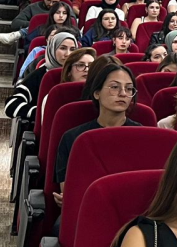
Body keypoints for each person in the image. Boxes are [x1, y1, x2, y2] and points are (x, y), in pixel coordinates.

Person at [54, 64, 143, 204]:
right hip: (86, 207)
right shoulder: (73, 138)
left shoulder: (143, 137)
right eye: (115, 87)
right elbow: (69, 190)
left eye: (129, 88)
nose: (123, 93)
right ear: (97, 93)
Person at [4, 30, 80, 123]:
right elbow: (11, 105)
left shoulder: (81, 73)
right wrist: (42, 113)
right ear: (52, 49)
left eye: (72, 49)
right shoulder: (41, 74)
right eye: (63, 48)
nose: (68, 54)